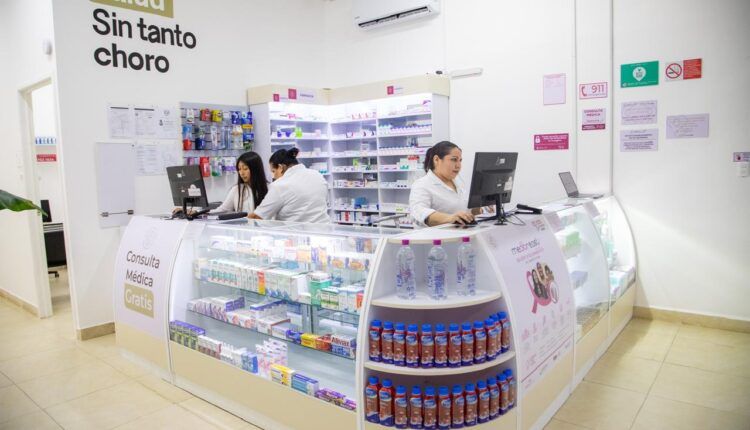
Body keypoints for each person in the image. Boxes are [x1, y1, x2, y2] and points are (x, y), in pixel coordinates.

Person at [409, 141, 483, 227]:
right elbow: (419, 212)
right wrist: (450, 218)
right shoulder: (421, 184)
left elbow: (463, 210)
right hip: (435, 235)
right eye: (454, 159)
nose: (458, 165)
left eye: (460, 160)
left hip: (459, 232)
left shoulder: (458, 182)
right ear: (436, 160)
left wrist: (478, 207)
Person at [249, 148, 329, 223]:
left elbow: (258, 216)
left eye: (273, 171)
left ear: (281, 167)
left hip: (296, 232)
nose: (274, 176)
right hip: (324, 230)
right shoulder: (317, 175)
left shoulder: (280, 185)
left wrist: (244, 221)